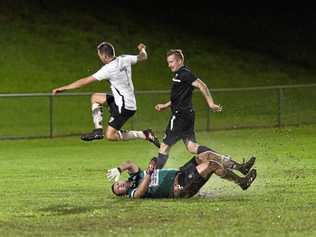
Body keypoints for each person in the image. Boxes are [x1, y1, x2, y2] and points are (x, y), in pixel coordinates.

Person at [52, 41, 160, 147]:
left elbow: (84, 81)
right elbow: (143, 56)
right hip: (125, 101)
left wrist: (63, 88)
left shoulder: (108, 69)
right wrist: (142, 49)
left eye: (99, 55)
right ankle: (98, 130)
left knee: (110, 135)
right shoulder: (124, 58)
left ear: (104, 56)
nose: (99, 58)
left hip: (124, 107)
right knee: (95, 97)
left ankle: (144, 134)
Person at [154, 49, 222, 168]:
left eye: (171, 62)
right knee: (192, 147)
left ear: (179, 61)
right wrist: (165, 105)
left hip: (180, 116)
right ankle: (222, 159)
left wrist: (211, 104)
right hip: (186, 115)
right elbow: (178, 97)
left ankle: (152, 180)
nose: (169, 65)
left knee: (164, 147)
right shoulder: (179, 74)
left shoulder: (185, 73)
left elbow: (202, 86)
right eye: (168, 62)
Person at [108, 151, 256, 199]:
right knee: (211, 165)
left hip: (181, 172)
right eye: (118, 189)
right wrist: (149, 172)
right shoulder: (132, 193)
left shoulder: (133, 176)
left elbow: (129, 163)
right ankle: (241, 182)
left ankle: (240, 167)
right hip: (180, 188)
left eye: (117, 184)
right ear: (122, 193)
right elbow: (140, 192)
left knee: (205, 155)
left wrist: (118, 169)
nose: (119, 186)